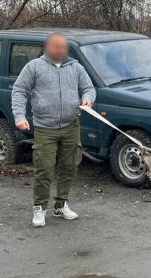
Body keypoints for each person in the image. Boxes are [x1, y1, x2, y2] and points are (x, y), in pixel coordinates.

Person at [12, 32, 96, 227]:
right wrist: (19, 116)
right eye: (56, 47)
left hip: (71, 126)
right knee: (44, 169)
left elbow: (89, 88)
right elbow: (19, 90)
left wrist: (88, 99)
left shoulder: (75, 67)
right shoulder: (34, 67)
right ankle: (39, 208)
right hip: (44, 127)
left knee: (69, 167)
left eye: (63, 47)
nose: (60, 50)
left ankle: (61, 205)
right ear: (48, 47)